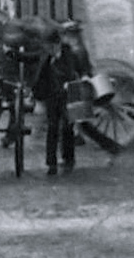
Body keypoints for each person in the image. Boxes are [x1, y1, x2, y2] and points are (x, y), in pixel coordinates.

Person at [33, 19, 92, 176]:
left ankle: (69, 160)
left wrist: (84, 78)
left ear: (56, 44)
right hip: (52, 96)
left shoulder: (70, 55)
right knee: (52, 129)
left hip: (69, 95)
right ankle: (51, 164)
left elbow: (83, 70)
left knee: (67, 129)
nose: (48, 49)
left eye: (49, 46)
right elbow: (34, 63)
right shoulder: (47, 57)